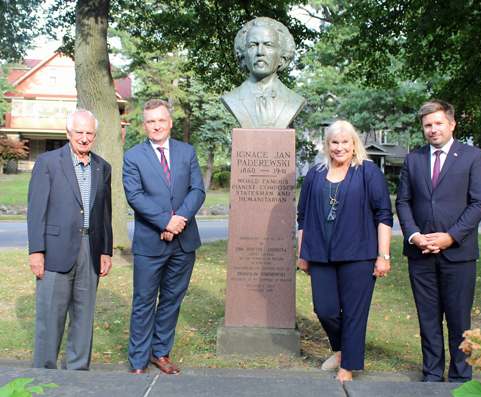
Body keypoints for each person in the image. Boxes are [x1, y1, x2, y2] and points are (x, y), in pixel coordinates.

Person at [396, 99, 481, 382]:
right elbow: (403, 202)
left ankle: (461, 376)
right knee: (428, 319)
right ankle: (432, 373)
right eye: (427, 125)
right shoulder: (413, 159)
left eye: (438, 123)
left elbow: (479, 203)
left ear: (452, 124)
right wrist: (414, 236)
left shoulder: (473, 156)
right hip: (420, 254)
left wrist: (451, 237)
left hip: (458, 253)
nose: (433, 129)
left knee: (459, 319)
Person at [297, 120, 393, 382]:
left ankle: (347, 366)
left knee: (353, 311)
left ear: (354, 144)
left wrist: (383, 255)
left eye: (345, 142)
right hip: (320, 254)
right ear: (327, 145)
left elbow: (384, 214)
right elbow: (303, 216)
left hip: (359, 254)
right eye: (334, 142)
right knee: (324, 309)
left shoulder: (368, 172)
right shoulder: (315, 173)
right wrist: (302, 254)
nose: (339, 147)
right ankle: (343, 350)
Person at [123, 99, 205, 374]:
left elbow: (197, 191)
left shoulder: (188, 152)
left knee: (171, 300)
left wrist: (177, 222)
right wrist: (165, 222)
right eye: (151, 122)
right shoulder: (133, 156)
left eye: (161, 120)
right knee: (144, 301)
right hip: (150, 243)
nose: (157, 126)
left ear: (170, 122)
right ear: (144, 125)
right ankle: (138, 360)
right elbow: (135, 196)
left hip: (183, 242)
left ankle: (161, 353)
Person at [28, 109, 113, 370]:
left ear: (95, 136)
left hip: (91, 249)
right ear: (68, 133)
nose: (84, 138)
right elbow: (36, 209)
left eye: (89, 133)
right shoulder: (48, 162)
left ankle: (77, 373)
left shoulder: (103, 167)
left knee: (84, 316)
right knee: (50, 316)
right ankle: (43, 372)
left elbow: (105, 212)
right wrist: (36, 251)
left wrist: (106, 250)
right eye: (79, 132)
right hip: (55, 250)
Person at [221, 17, 305, 129]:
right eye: (253, 45)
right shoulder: (232, 99)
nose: (260, 52)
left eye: (268, 45)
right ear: (243, 56)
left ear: (282, 56)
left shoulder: (294, 100)